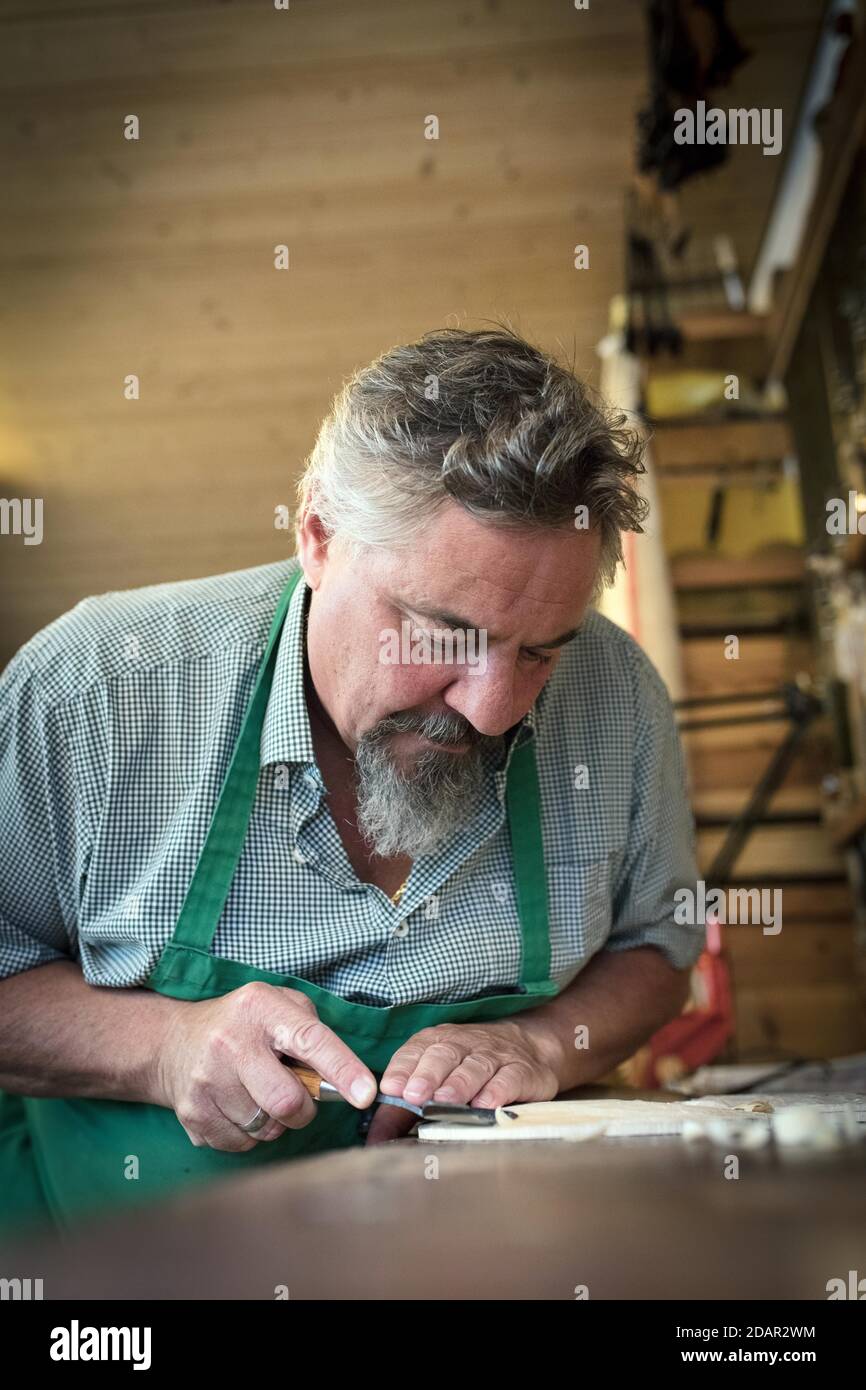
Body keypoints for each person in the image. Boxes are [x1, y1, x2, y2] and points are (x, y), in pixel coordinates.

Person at [0, 326, 701, 1236]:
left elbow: (658, 950)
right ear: (319, 536)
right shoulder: (95, 690)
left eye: (539, 652)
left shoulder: (620, 700)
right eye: (444, 636)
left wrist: (535, 1042)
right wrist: (163, 1049)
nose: (491, 711)